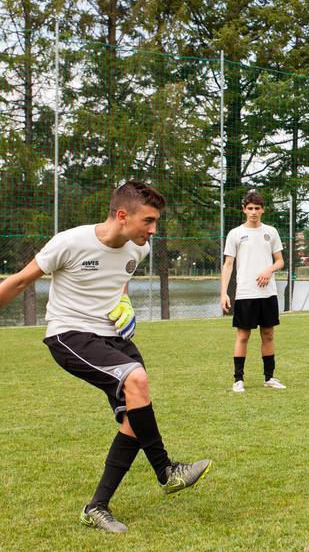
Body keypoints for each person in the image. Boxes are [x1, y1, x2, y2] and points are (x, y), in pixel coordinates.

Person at [0, 181, 212, 533]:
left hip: (113, 337)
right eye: (148, 221)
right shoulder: (70, 242)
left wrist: (123, 303)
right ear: (122, 215)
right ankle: (166, 471)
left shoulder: (137, 251)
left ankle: (96, 508)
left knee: (134, 416)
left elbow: (119, 280)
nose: (153, 230)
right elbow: (20, 281)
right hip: (70, 333)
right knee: (136, 380)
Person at [221, 190, 285, 392]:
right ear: (244, 210)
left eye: (257, 208)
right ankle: (238, 380)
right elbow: (228, 264)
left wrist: (269, 269)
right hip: (245, 294)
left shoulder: (271, 232)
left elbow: (280, 261)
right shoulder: (236, 234)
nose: (254, 212)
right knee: (243, 336)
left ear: (263, 210)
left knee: (268, 335)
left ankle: (269, 377)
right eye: (250, 208)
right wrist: (224, 292)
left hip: (268, 294)